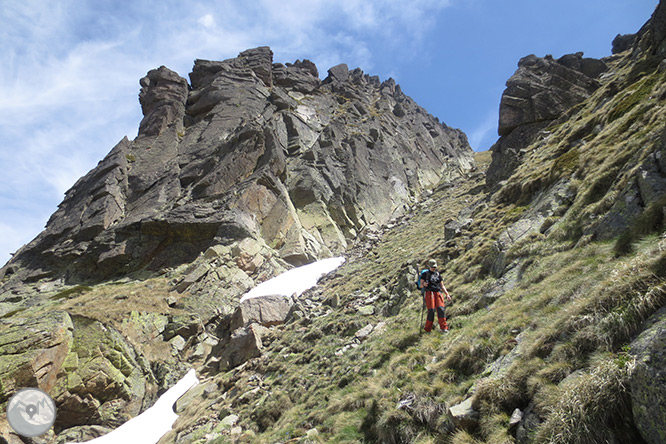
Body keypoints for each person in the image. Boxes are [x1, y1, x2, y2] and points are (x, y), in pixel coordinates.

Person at [420, 259, 452, 332]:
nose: (433, 268)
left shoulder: (438, 274)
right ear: (429, 266)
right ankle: (428, 329)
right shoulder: (425, 274)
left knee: (441, 309)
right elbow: (421, 285)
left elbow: (442, 285)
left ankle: (444, 328)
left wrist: (447, 294)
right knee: (431, 311)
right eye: (432, 267)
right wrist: (424, 284)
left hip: (438, 293)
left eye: (434, 267)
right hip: (429, 293)